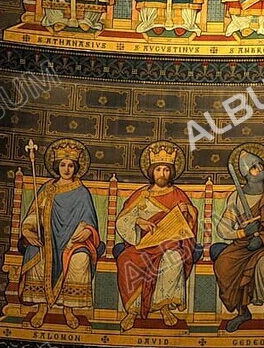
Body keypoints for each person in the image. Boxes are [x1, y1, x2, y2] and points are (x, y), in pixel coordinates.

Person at [18, 139, 101, 329]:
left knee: (79, 259)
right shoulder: (48, 189)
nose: (66, 169)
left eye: (71, 165)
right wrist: (27, 230)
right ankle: (41, 308)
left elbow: (90, 221)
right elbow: (34, 214)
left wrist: (87, 231)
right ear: (57, 166)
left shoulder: (82, 192)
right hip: (48, 240)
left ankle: (69, 309)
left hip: (73, 242)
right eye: (63, 165)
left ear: (76, 167)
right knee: (36, 253)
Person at [115, 141, 198, 330]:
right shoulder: (142, 194)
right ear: (152, 171)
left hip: (170, 243)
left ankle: (165, 306)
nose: (162, 173)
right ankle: (132, 311)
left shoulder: (178, 194)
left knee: (174, 257)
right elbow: (123, 219)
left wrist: (188, 210)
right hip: (144, 242)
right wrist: (139, 222)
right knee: (125, 261)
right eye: (159, 169)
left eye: (166, 170)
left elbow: (191, 220)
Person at [213, 145, 264, 332]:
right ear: (246, 174)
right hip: (244, 245)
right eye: (254, 166)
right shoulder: (236, 197)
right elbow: (223, 229)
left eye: (260, 164)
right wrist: (243, 233)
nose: (260, 168)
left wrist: (263, 237)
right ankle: (243, 312)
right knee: (224, 264)